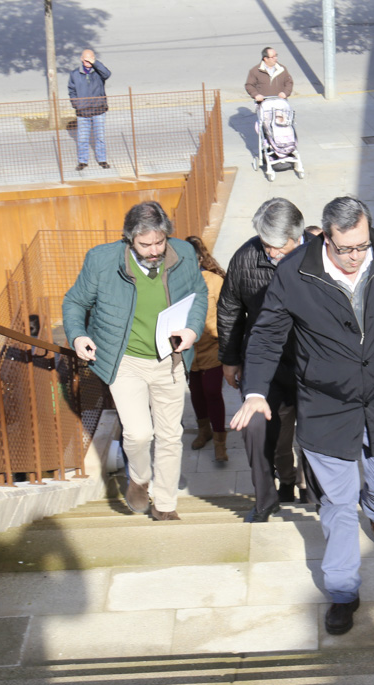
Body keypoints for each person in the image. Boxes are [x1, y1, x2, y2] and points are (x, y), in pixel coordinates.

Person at [230, 196, 374, 636]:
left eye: (361, 245)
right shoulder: (294, 272)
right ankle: (342, 592)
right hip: (325, 407)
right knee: (337, 504)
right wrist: (256, 390)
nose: (355, 256)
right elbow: (265, 337)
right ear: (325, 238)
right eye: (345, 249)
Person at [63, 202, 207, 521]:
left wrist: (193, 329)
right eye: (146, 245)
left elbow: (198, 294)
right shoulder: (101, 261)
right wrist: (77, 335)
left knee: (171, 434)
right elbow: (75, 301)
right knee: (139, 433)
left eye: (160, 242)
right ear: (129, 240)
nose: (155, 250)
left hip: (171, 359)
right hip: (124, 360)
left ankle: (166, 504)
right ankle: (140, 479)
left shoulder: (183, 253)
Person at [217, 199, 306, 521]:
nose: (271, 253)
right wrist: (229, 358)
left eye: (279, 248)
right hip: (264, 363)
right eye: (266, 246)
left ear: (298, 237)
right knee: (256, 429)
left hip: (312, 363)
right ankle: (266, 498)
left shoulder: (320, 257)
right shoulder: (245, 258)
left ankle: (314, 492)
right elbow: (229, 310)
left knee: (314, 430)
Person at [185, 236, 229, 463]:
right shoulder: (176, 282)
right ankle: (204, 431)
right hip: (189, 349)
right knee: (196, 392)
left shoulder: (214, 280)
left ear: (200, 259)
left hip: (213, 346)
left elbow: (227, 313)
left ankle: (221, 442)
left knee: (212, 391)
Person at [67, 49, 111, 171]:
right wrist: (76, 104)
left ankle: (102, 159)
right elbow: (72, 90)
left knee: (100, 137)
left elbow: (107, 74)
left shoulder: (98, 72)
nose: (88, 62)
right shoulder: (75, 74)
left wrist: (96, 63)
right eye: (86, 59)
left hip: (99, 110)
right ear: (81, 59)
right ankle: (82, 161)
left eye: (90, 59)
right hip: (83, 112)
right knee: (82, 138)